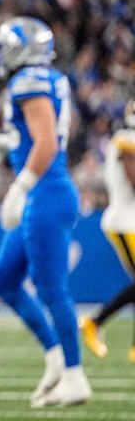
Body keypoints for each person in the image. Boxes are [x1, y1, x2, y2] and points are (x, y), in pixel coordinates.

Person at [0, 17, 91, 407]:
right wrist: (9, 139)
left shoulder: (29, 82)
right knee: (4, 279)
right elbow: (37, 134)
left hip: (46, 193)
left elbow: (46, 145)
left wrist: (20, 187)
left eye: (6, 47)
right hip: (47, 192)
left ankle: (75, 375)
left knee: (51, 287)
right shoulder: (47, 78)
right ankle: (56, 356)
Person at [80, 98, 135, 362]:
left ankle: (99, 323)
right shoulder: (126, 140)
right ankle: (95, 322)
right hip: (125, 222)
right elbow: (133, 179)